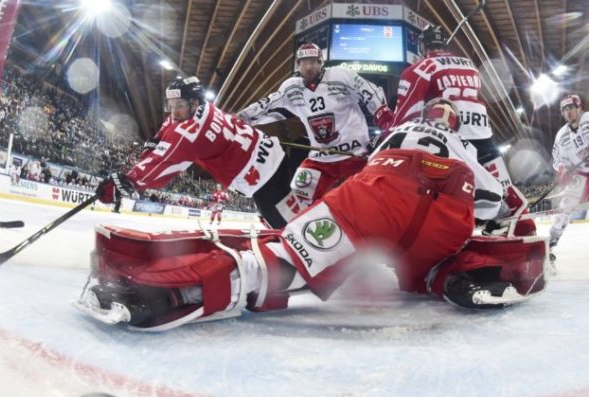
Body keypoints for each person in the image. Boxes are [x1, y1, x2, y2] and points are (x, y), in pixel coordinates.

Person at [75, 99, 547, 330]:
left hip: (379, 193)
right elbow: (496, 204)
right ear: (456, 124)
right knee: (440, 257)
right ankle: (452, 277)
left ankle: (172, 292)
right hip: (443, 216)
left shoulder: (398, 131)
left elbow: (367, 173)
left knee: (283, 258)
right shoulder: (466, 147)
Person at [384, 25, 536, 237]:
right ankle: (525, 228)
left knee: (437, 188)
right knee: (504, 189)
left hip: (450, 139)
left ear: (423, 46)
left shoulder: (420, 68)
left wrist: (386, 139)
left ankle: (438, 233)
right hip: (483, 135)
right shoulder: (469, 64)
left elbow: (406, 114)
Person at [96, 76, 304, 228]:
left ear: (194, 103)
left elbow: (163, 163)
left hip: (262, 180)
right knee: (293, 213)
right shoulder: (206, 107)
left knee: (288, 228)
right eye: (171, 105)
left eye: (179, 105)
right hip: (274, 155)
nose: (174, 111)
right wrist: (154, 143)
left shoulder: (190, 136)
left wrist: (128, 181)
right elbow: (170, 125)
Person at [237, 43, 393, 207]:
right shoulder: (291, 87)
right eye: (304, 62)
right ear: (298, 65)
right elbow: (268, 104)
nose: (309, 66)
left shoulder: (341, 75)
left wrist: (383, 115)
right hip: (320, 159)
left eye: (313, 61)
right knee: (297, 199)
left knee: (365, 201)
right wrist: (243, 118)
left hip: (355, 155)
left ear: (321, 62)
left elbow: (368, 90)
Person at [548, 94, 589, 264]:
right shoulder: (561, 135)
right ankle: (550, 244)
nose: (569, 112)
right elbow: (557, 161)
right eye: (565, 110)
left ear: (580, 108)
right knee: (566, 207)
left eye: (571, 108)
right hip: (581, 173)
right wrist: (563, 170)